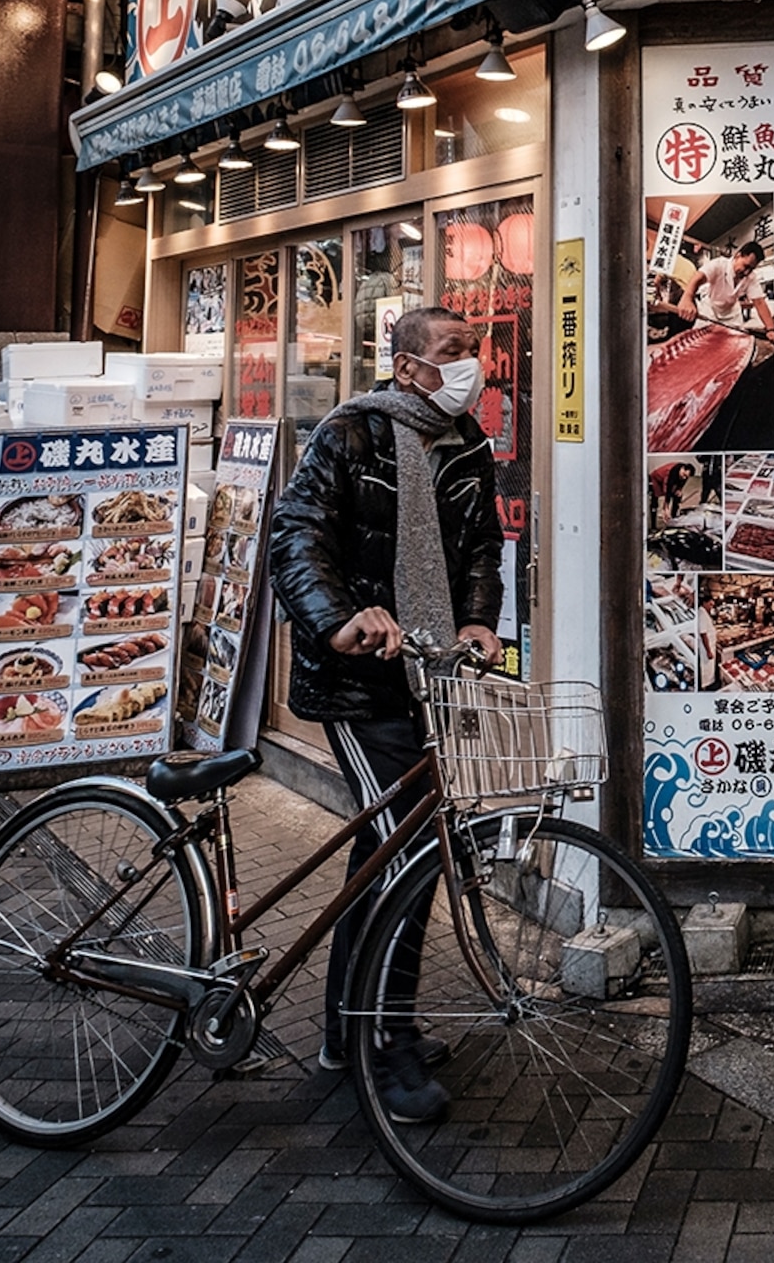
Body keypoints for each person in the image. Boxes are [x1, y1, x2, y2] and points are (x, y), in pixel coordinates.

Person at [265, 305, 505, 1111]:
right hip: (359, 676)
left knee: (384, 850)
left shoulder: (468, 443)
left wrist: (478, 619)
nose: (470, 364)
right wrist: (340, 618)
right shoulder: (352, 432)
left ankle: (346, 1027)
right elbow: (295, 533)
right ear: (407, 367)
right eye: (451, 352)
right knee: (410, 849)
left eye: (474, 351)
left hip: (430, 674)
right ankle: (386, 1042)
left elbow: (481, 548)